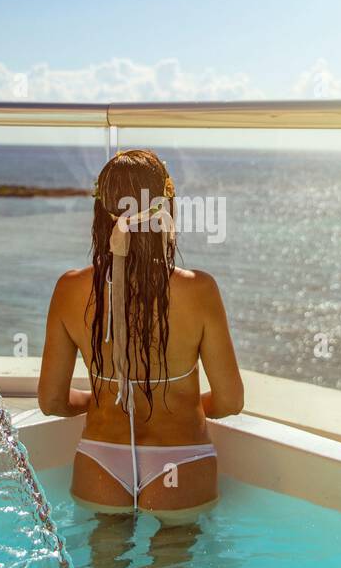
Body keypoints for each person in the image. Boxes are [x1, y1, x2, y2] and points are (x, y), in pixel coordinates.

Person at [37, 149, 244, 513]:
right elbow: (230, 401)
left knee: (100, 566)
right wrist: (183, 405)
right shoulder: (199, 291)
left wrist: (98, 398)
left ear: (101, 213)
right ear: (165, 210)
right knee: (170, 565)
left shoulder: (69, 289)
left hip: (99, 459)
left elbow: (51, 402)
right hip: (179, 460)